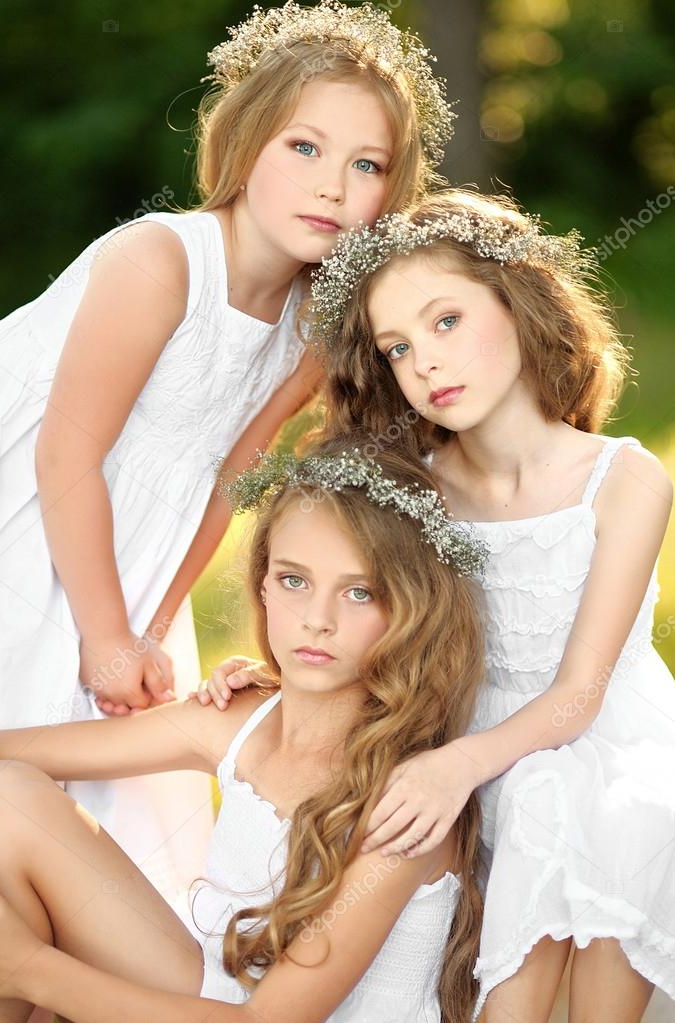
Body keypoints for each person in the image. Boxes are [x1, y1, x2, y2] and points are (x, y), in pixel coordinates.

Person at [0, 0, 453, 906]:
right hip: (8, 516)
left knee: (99, 795)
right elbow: (64, 453)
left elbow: (230, 478)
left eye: (364, 165)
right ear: (245, 143)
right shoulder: (162, 260)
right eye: (303, 148)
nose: (331, 186)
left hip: (129, 552)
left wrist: (147, 624)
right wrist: (103, 634)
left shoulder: (310, 326)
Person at [0, 437, 487, 1023]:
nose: (317, 621)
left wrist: (26, 969)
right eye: (294, 580)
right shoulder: (240, 716)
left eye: (359, 593)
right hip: (213, 997)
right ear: (262, 584)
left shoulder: (409, 804)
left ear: (410, 609)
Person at [301, 189, 674, 1021]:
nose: (425, 362)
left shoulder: (622, 480)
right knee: (536, 800)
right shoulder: (415, 491)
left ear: (518, 301)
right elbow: (361, 617)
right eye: (397, 347)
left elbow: (580, 695)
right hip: (463, 742)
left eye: (445, 321)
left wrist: (460, 764)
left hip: (597, 740)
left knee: (587, 803)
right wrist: (288, 665)